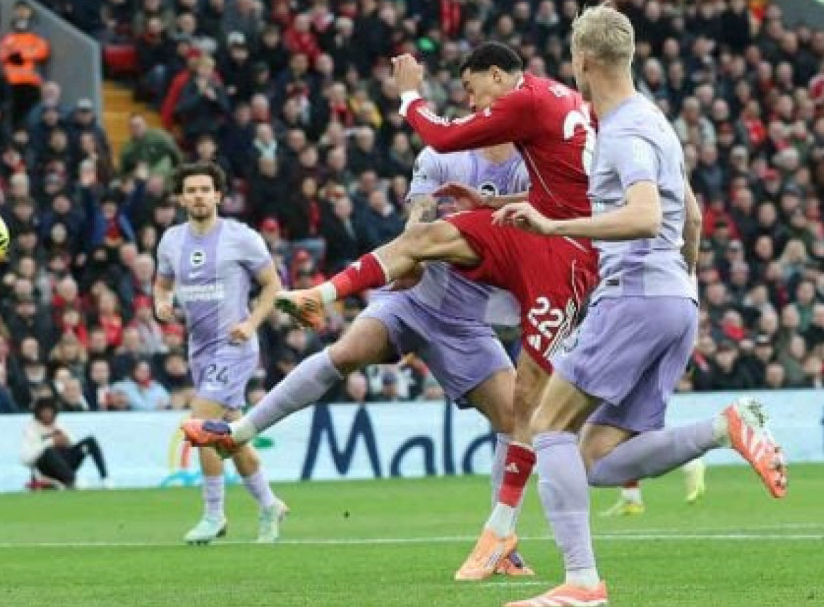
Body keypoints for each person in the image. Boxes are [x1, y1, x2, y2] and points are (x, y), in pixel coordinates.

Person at [272, 41, 599, 577]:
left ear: (498, 75)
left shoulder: (525, 99)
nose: (471, 100)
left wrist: (409, 96)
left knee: (528, 398)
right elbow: (561, 189)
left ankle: (502, 529)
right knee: (424, 236)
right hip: (533, 224)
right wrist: (492, 203)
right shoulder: (556, 97)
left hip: (567, 254)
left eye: (472, 88)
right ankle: (322, 294)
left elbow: (443, 135)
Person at [499, 5, 787, 607]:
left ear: (584, 62)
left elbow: (646, 215)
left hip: (634, 294)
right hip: (673, 300)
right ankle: (723, 428)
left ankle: (582, 584)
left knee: (547, 425)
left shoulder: (625, 131)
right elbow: (693, 218)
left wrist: (553, 228)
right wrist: (682, 284)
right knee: (597, 458)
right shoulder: (656, 121)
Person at [185, 144, 537, 577]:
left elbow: (546, 214)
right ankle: (238, 432)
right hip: (410, 298)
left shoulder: (532, 162)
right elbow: (419, 216)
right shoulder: (443, 154)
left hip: (466, 322)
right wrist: (412, 250)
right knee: (346, 352)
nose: (480, 110)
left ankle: (501, 541)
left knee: (514, 421)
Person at [156, 163, 288, 544]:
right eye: (191, 190)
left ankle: (214, 515)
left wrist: (251, 323)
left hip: (234, 347)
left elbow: (272, 285)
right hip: (199, 350)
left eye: (205, 189)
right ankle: (269, 505)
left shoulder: (241, 237)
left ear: (218, 195)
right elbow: (162, 284)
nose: (198, 196)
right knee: (231, 437)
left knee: (201, 424)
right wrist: (161, 303)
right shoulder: (171, 241)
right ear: (181, 198)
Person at [20, 397, 111, 489]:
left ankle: (105, 478)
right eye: (45, 412)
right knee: (49, 451)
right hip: (46, 469)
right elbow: (25, 459)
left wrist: (66, 440)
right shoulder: (31, 429)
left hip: (65, 463)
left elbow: (73, 444)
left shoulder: (58, 424)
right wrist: (51, 442)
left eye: (50, 412)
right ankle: (73, 481)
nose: (48, 415)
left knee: (89, 442)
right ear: (38, 414)